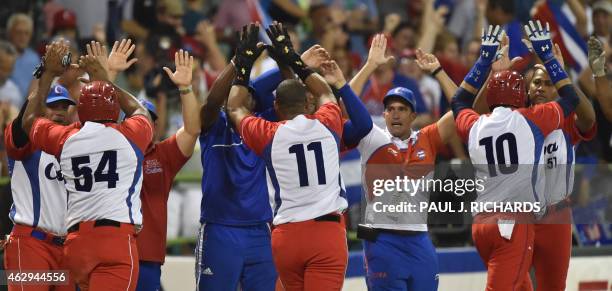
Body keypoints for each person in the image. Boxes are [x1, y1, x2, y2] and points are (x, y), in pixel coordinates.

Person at [193, 24, 332, 290]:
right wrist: (238, 62)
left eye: (250, 95)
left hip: (261, 230)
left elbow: (290, 91)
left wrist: (288, 60)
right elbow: (212, 102)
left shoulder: (264, 126)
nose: (243, 98)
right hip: (219, 229)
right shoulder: (214, 124)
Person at [451, 22, 581, 290]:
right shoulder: (530, 119)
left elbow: (458, 101)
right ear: (521, 94)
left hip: (481, 225)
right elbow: (570, 97)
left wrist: (484, 60)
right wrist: (547, 56)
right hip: (514, 222)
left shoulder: (476, 124)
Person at [21, 40, 153, 291]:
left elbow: (28, 120)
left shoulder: (67, 137)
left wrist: (48, 73)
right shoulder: (131, 135)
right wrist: (104, 78)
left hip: (76, 245)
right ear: (114, 109)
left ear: (79, 110)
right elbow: (139, 110)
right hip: (114, 241)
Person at [227, 22, 347, 290]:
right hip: (326, 232)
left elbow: (234, 107)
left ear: (276, 106)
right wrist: (292, 56)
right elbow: (325, 91)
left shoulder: (268, 134)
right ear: (307, 104)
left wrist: (243, 64)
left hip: (287, 236)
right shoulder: (328, 122)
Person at [349, 34, 462, 291]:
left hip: (419, 238)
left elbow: (461, 109)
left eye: (402, 109)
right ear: (384, 113)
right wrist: (370, 66)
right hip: (382, 239)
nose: (395, 113)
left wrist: (439, 72)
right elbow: (344, 103)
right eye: (390, 109)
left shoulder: (428, 137)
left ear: (413, 115)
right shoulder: (371, 136)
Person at [134, 50, 200, 290]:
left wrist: (185, 88)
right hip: (112, 252)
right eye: (136, 118)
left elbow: (192, 130)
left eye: (148, 118)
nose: (142, 123)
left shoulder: (162, 154)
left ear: (155, 124)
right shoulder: (113, 150)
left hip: (147, 256)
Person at [4, 79, 76, 291]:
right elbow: (19, 130)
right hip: (32, 244)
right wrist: (46, 76)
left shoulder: (73, 143)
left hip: (66, 249)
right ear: (38, 107)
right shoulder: (24, 140)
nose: (60, 111)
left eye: (64, 106)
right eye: (52, 105)